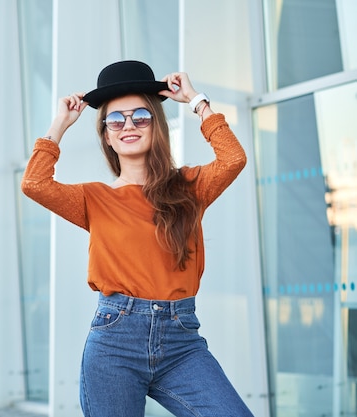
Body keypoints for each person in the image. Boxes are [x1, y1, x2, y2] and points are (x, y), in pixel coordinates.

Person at [21, 60, 254, 417]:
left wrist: (195, 101)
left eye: (140, 116)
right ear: (107, 135)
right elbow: (34, 183)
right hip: (115, 342)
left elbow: (233, 158)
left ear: (156, 125)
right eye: (116, 120)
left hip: (181, 342)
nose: (128, 125)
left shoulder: (190, 187)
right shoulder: (93, 199)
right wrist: (60, 124)